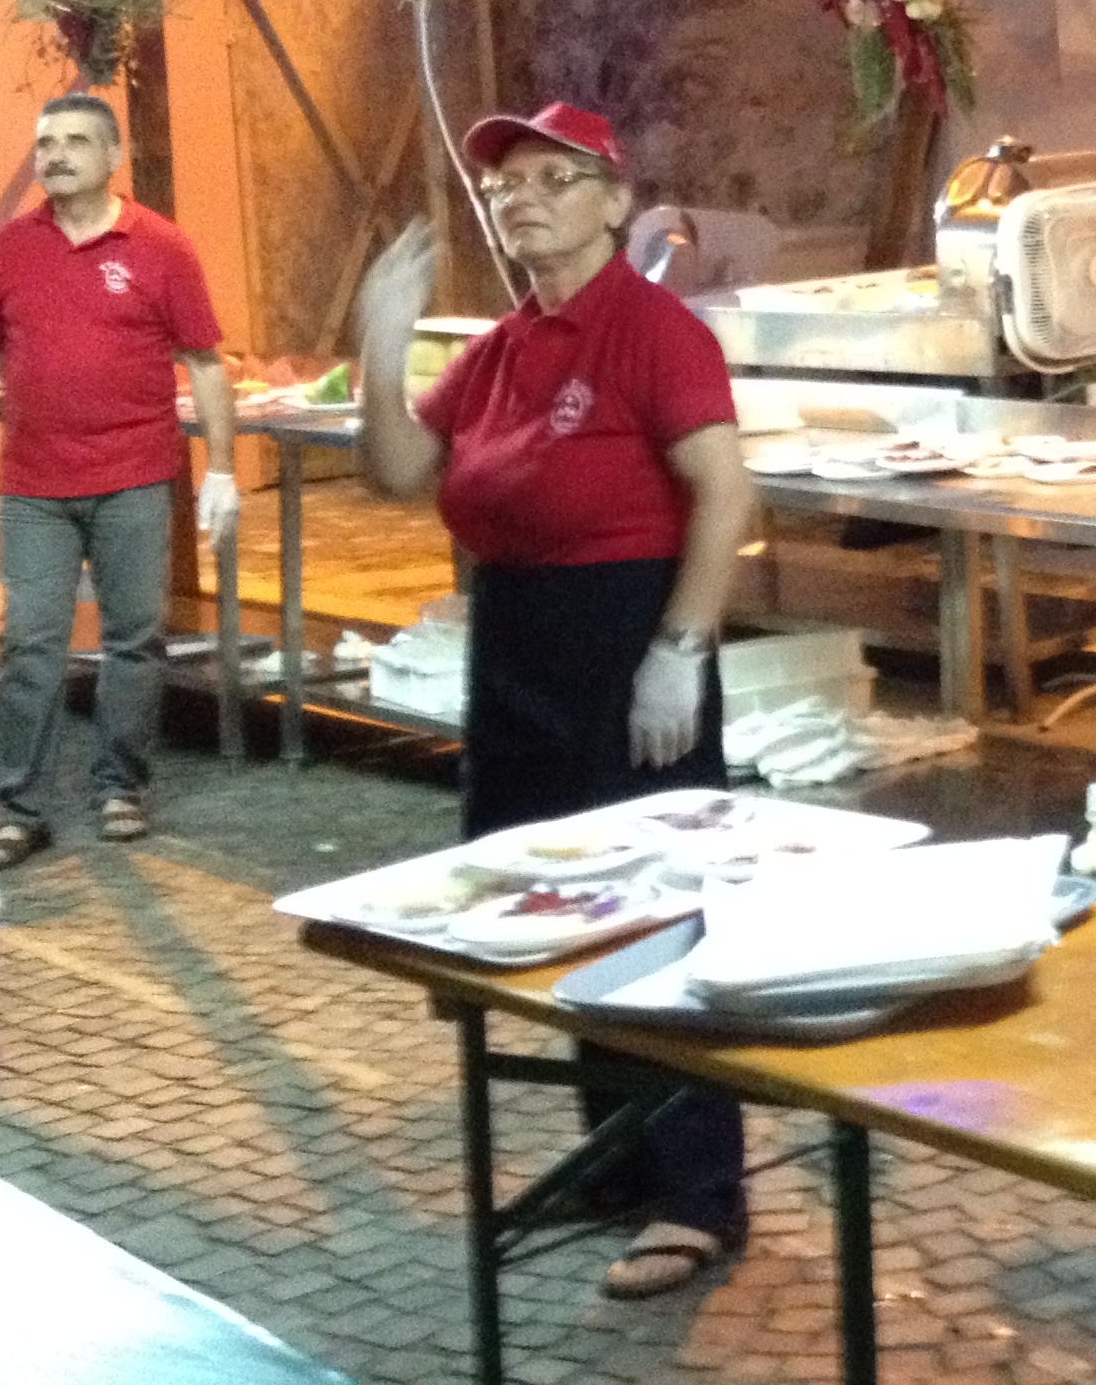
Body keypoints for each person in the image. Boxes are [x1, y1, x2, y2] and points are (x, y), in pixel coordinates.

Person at [354, 101, 760, 1302]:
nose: (520, 200)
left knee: (659, 914)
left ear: (615, 201)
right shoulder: (498, 348)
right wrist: (382, 345)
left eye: (551, 179)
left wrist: (679, 648)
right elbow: (398, 471)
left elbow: (725, 493)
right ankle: (620, 1157)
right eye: (505, 188)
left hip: (625, 638)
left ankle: (699, 1192)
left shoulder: (655, 330)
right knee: (562, 908)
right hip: (517, 645)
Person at [0, 92, 238, 867]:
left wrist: (223, 469)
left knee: (134, 638)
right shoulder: (13, 247)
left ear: (112, 157)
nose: (56, 155)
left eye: (75, 141)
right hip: (35, 486)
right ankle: (19, 807)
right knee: (30, 644)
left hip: (134, 477)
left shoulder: (161, 246)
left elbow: (204, 362)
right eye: (45, 143)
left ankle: (119, 786)